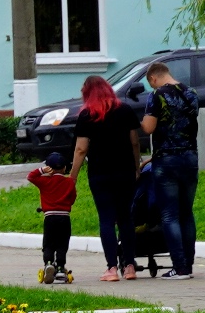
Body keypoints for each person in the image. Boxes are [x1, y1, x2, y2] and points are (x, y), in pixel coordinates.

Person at [71, 75, 143, 281]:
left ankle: (111, 268)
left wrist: (73, 177)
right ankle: (129, 266)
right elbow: (135, 142)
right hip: (125, 172)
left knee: (106, 220)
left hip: (100, 174)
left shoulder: (87, 115)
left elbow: (81, 149)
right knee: (126, 218)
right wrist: (136, 167)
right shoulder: (125, 110)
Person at [141, 57, 201, 280]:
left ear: (154, 78)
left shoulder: (157, 95)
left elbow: (148, 128)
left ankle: (180, 267)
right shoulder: (191, 93)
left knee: (169, 215)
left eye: (151, 83)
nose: (152, 87)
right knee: (187, 213)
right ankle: (190, 264)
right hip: (190, 157)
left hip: (166, 160)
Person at [28, 145, 77, 283]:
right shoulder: (69, 182)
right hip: (64, 218)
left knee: (49, 243)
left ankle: (48, 263)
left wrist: (41, 171)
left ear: (48, 168)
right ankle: (60, 268)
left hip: (49, 217)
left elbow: (30, 177)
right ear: (64, 168)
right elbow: (72, 199)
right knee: (62, 244)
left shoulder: (44, 181)